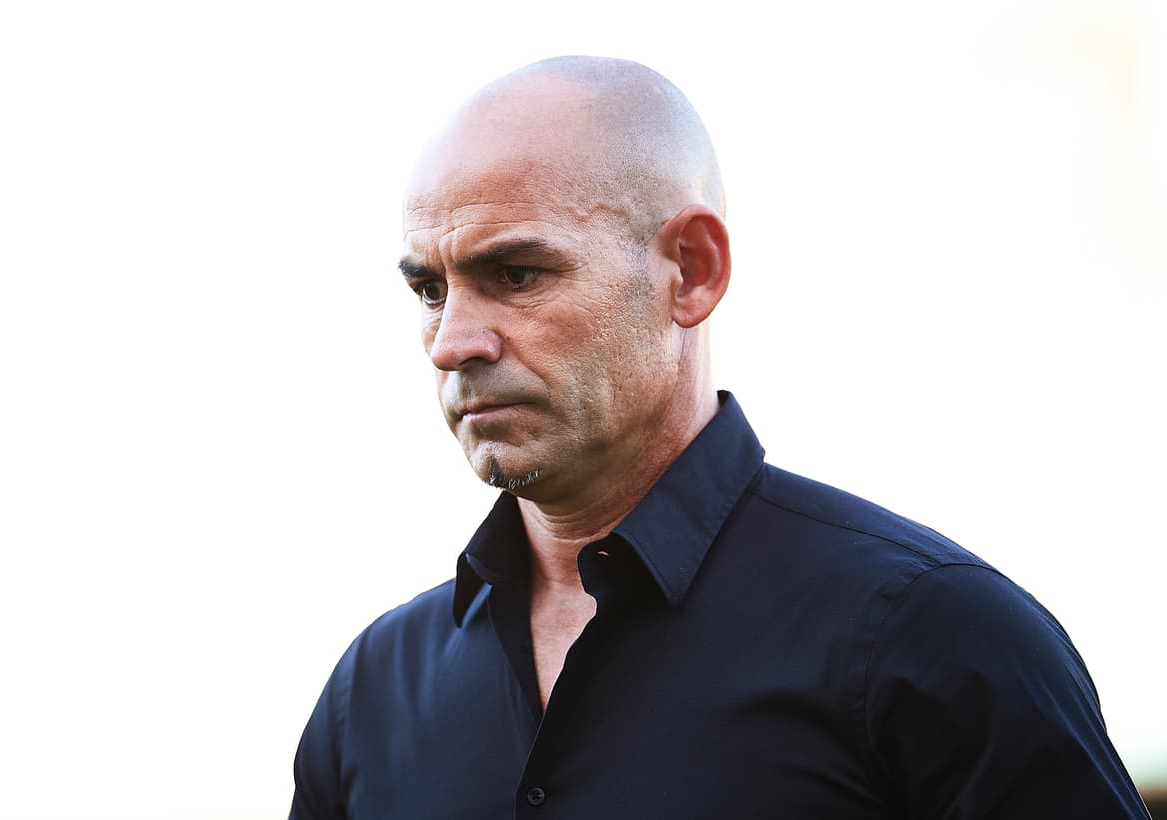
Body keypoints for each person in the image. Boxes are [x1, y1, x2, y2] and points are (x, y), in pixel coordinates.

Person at [289, 56, 1149, 818]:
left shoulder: (930, 640)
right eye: (429, 291)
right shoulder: (370, 693)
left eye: (515, 275)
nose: (451, 343)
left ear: (691, 271)